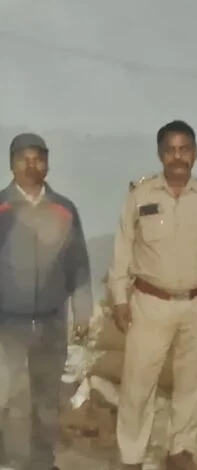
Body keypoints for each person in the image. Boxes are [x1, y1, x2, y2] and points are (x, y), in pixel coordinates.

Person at [108, 120, 197, 470]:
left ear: (195, 153)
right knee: (137, 383)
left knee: (191, 383)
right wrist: (119, 299)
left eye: (184, 149)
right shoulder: (140, 195)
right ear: (161, 154)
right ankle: (131, 456)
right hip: (150, 303)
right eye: (171, 150)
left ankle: (180, 451)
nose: (178, 157)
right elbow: (122, 248)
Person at [0, 133, 93, 470]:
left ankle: (42, 461)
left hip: (52, 323)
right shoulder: (2, 209)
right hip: (7, 324)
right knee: (12, 400)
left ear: (47, 164)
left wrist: (82, 313)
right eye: (23, 159)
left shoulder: (64, 210)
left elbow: (78, 265)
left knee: (47, 401)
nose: (31, 165)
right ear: (11, 164)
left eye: (38, 158)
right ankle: (12, 461)